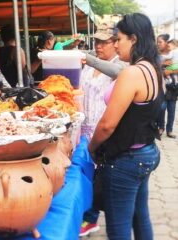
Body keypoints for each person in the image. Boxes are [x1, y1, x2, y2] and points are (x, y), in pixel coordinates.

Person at [88, 13, 163, 240]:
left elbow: (107, 126)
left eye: (119, 39)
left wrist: (92, 148)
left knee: (118, 227)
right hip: (145, 152)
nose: (116, 44)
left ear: (134, 39)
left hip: (126, 158)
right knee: (141, 218)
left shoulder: (132, 73)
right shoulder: (152, 68)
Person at [78, 22, 127, 237]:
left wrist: (89, 57)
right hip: (83, 127)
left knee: (99, 176)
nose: (99, 47)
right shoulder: (88, 66)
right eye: (96, 42)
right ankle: (84, 213)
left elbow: (114, 71)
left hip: (102, 129)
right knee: (85, 173)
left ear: (115, 44)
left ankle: (91, 218)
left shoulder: (121, 67)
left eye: (104, 43)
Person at [156, 35, 177, 138]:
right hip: (161, 86)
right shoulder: (156, 55)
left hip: (173, 86)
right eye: (158, 42)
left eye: (160, 42)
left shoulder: (174, 55)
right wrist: (163, 66)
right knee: (161, 108)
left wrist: (171, 70)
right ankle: (160, 128)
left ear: (166, 43)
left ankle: (169, 130)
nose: (158, 44)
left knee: (172, 109)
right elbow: (154, 68)